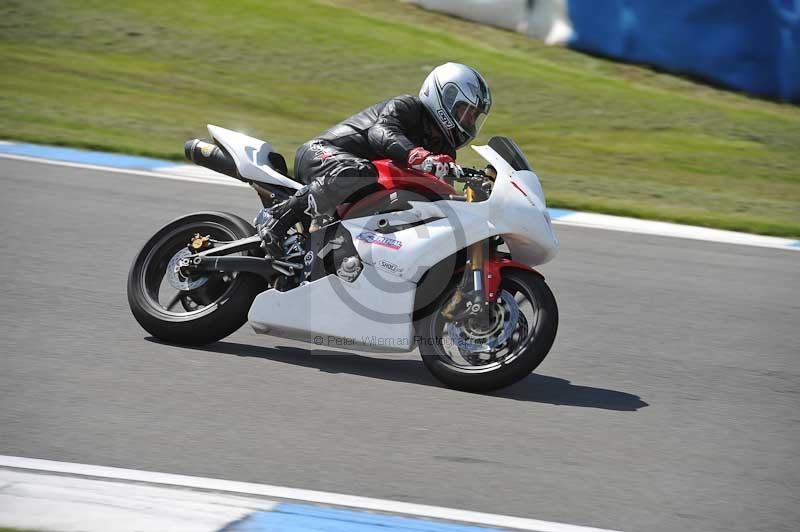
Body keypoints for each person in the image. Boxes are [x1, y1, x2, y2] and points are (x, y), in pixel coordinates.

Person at [259, 62, 492, 255]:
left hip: (360, 190)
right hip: (322, 155)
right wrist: (417, 155)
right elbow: (381, 133)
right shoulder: (408, 107)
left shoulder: (445, 150)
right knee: (360, 171)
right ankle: (277, 219)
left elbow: (437, 196)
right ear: (447, 97)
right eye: (467, 112)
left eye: (474, 116)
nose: (469, 122)